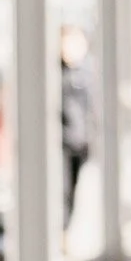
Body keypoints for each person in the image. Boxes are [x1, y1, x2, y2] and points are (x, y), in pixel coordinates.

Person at [58, 27, 93, 230]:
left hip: (79, 141)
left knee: (72, 191)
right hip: (61, 142)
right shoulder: (55, 73)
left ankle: (66, 229)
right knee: (62, 190)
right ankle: (61, 231)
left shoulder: (87, 74)